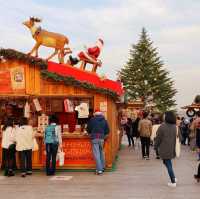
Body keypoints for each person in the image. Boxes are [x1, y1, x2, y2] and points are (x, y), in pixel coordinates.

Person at [154, 111, 181, 188]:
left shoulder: (162, 126)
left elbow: (158, 139)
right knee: (166, 162)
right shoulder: (175, 127)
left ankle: (173, 181)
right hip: (172, 148)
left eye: (164, 115)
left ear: (167, 117)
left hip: (164, 149)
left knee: (168, 164)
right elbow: (180, 138)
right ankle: (174, 178)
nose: (163, 117)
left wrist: (155, 146)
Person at [87, 109, 109, 175]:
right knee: (101, 152)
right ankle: (102, 167)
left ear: (95, 114)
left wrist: (90, 132)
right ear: (101, 114)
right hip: (102, 138)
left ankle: (99, 170)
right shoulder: (104, 120)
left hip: (94, 138)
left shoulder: (92, 120)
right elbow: (107, 131)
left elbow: (88, 129)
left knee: (96, 154)